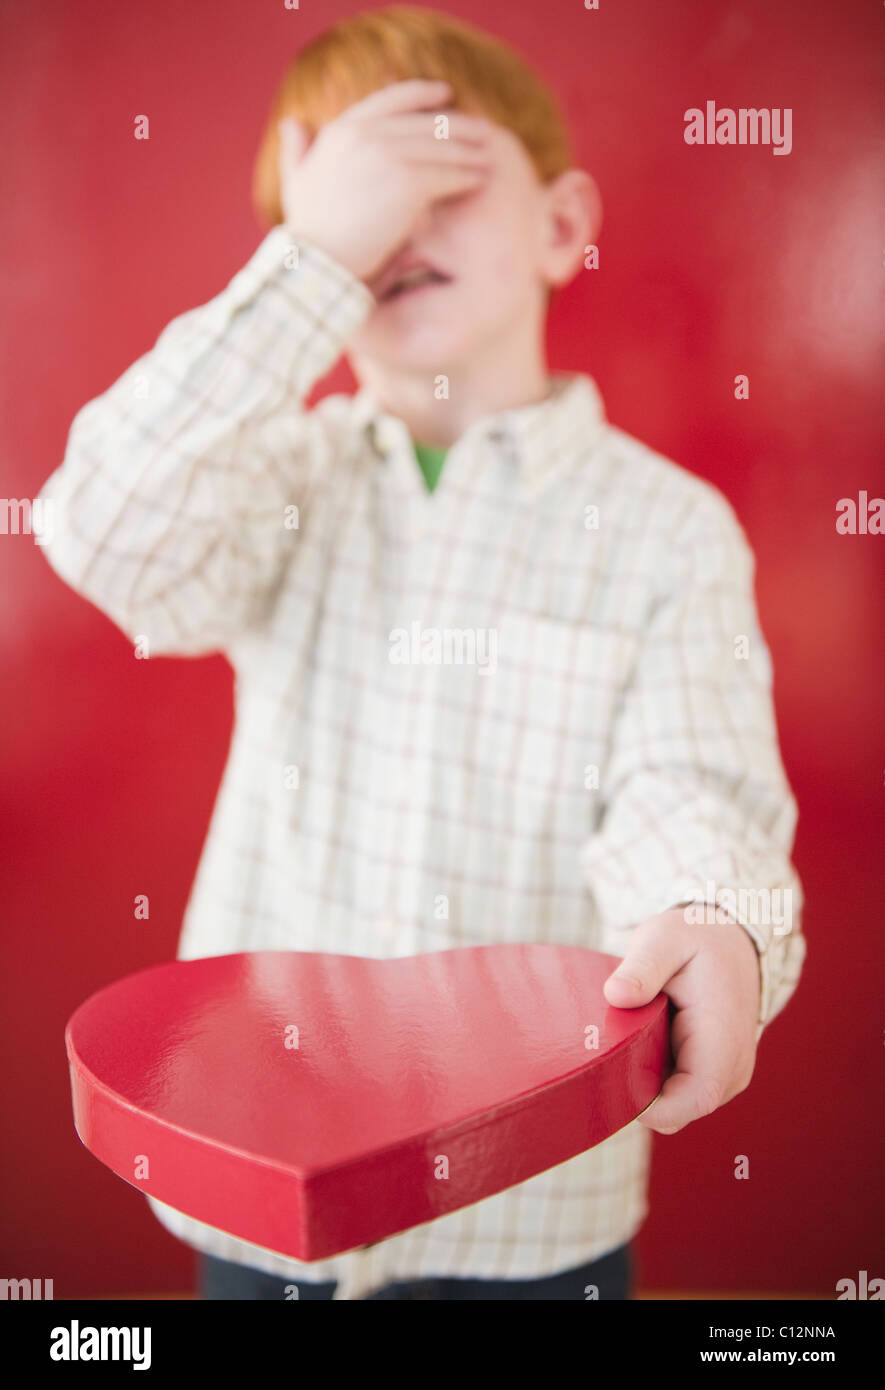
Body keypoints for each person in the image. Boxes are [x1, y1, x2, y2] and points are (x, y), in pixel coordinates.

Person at [37, 6, 805, 1301]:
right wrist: (309, 260)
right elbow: (97, 526)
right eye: (346, 200)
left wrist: (712, 918)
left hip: (536, 1206)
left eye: (434, 173)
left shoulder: (669, 530)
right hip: (258, 1188)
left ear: (561, 224)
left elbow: (688, 790)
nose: (390, 232)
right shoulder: (282, 485)